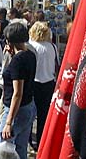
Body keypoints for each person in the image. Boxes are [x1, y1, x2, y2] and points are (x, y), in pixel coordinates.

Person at [0, 23, 37, 159]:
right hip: (29, 106)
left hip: (16, 110)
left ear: (9, 41)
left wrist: (8, 122)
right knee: (20, 148)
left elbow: (17, 93)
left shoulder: (17, 61)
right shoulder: (30, 55)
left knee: (1, 148)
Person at [28, 21, 58, 149]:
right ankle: (41, 141)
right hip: (48, 83)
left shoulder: (31, 46)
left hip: (33, 82)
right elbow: (57, 65)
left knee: (29, 114)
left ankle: (28, 139)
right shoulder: (53, 47)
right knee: (43, 115)